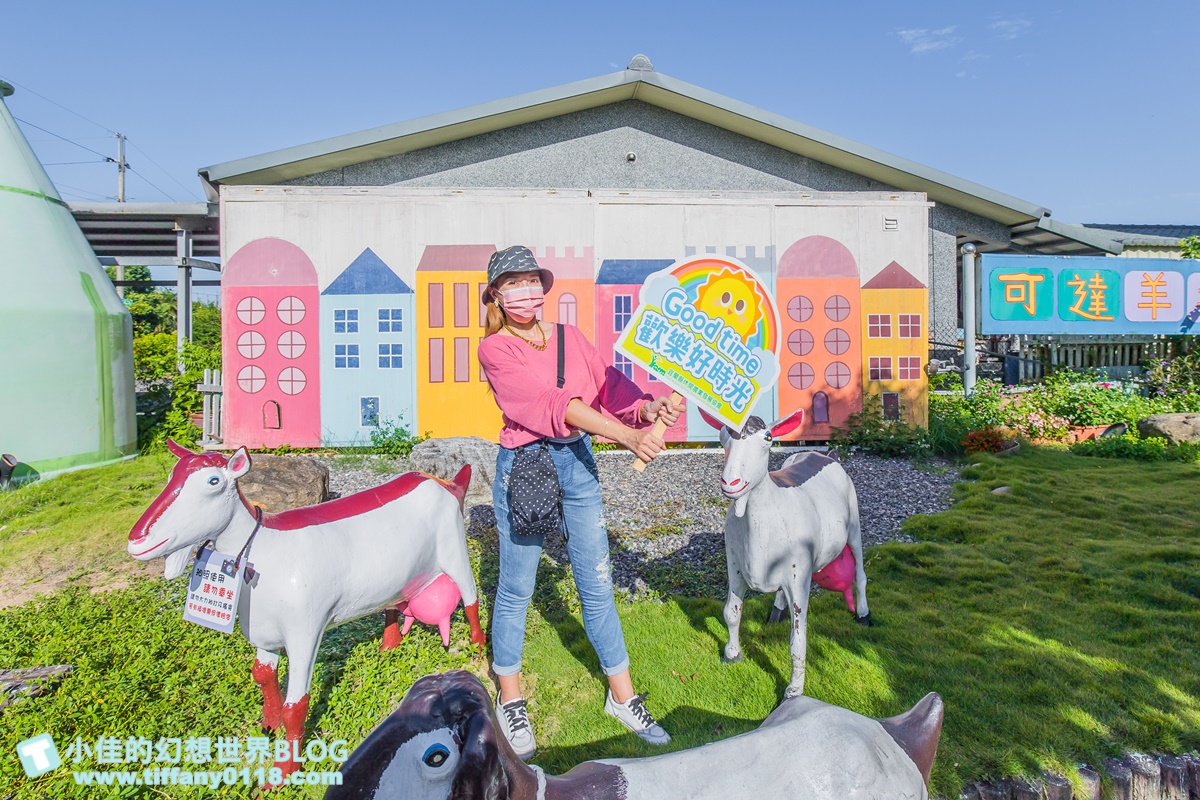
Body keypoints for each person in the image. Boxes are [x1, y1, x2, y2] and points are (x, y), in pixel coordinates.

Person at [478, 245, 683, 760]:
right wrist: (626, 438)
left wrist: (645, 407)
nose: (526, 292)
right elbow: (554, 406)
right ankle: (512, 697)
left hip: (579, 467)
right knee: (517, 586)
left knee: (595, 580)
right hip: (525, 466)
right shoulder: (496, 350)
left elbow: (608, 386)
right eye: (514, 284)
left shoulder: (570, 337)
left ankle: (623, 697)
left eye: (532, 281)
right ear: (497, 296)